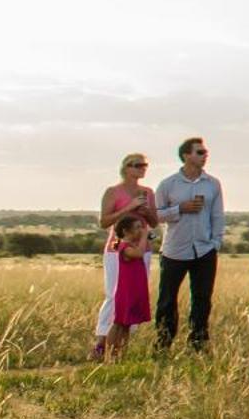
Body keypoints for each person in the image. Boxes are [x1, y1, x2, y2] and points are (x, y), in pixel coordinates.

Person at [154, 136, 225, 351]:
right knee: (167, 299)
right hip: (175, 249)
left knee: (202, 299)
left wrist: (216, 243)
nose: (205, 156)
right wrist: (179, 209)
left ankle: (198, 342)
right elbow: (156, 216)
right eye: (200, 152)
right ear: (186, 155)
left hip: (204, 249)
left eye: (205, 153)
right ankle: (164, 342)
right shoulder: (168, 184)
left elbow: (218, 216)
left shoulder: (212, 184)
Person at [92, 152, 160, 360]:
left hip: (142, 248)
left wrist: (146, 211)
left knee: (134, 295)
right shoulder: (113, 192)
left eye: (144, 165)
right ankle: (101, 342)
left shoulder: (147, 192)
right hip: (118, 249)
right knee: (114, 294)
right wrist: (129, 208)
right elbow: (104, 222)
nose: (142, 168)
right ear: (126, 168)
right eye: (137, 165)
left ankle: (121, 348)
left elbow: (155, 222)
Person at [104, 216, 152, 361]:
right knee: (118, 323)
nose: (140, 230)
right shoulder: (124, 247)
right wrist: (144, 237)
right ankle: (111, 354)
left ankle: (122, 354)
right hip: (126, 292)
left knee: (127, 324)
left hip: (134, 290)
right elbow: (138, 254)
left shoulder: (130, 245)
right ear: (126, 231)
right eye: (137, 227)